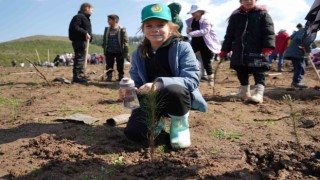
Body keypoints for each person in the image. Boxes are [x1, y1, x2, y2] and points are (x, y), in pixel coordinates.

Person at [120, 3, 207, 149]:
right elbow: (137, 81)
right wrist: (129, 91)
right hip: (150, 100)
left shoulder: (182, 47)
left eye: (161, 25)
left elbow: (191, 79)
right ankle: (157, 121)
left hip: (177, 99)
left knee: (174, 90)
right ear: (143, 29)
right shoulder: (138, 53)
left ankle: (179, 125)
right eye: (149, 26)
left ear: (171, 27)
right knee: (135, 134)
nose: (155, 30)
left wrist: (157, 85)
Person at [219, 0, 275, 103]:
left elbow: (269, 32)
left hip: (257, 49)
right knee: (241, 70)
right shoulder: (235, 15)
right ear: (240, 1)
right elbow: (229, 35)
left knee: (258, 70)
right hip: (239, 50)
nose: (248, 1)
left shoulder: (262, 14)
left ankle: (259, 94)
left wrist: (268, 46)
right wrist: (224, 50)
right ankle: (244, 92)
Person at [186, 4, 221, 87]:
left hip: (206, 43)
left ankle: (210, 79)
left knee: (206, 62)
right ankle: (191, 76)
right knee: (188, 57)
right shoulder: (191, 21)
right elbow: (189, 30)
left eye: (194, 12)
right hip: (195, 42)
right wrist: (188, 31)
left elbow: (205, 31)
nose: (192, 14)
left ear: (201, 12)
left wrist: (191, 33)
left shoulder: (206, 20)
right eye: (192, 12)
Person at [68, 2, 93, 84]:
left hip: (84, 41)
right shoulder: (79, 17)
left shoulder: (85, 18)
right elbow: (76, 27)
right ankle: (77, 76)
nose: (92, 12)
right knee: (79, 58)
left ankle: (81, 75)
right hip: (79, 40)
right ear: (86, 8)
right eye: (91, 10)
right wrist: (85, 33)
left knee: (82, 58)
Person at [102, 14, 129, 82]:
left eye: (109, 20)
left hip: (119, 50)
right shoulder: (107, 29)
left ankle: (120, 76)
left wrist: (125, 51)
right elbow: (104, 39)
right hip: (109, 50)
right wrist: (104, 47)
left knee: (120, 65)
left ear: (115, 20)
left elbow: (126, 40)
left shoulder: (122, 29)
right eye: (108, 20)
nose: (108, 21)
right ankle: (109, 76)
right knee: (109, 64)